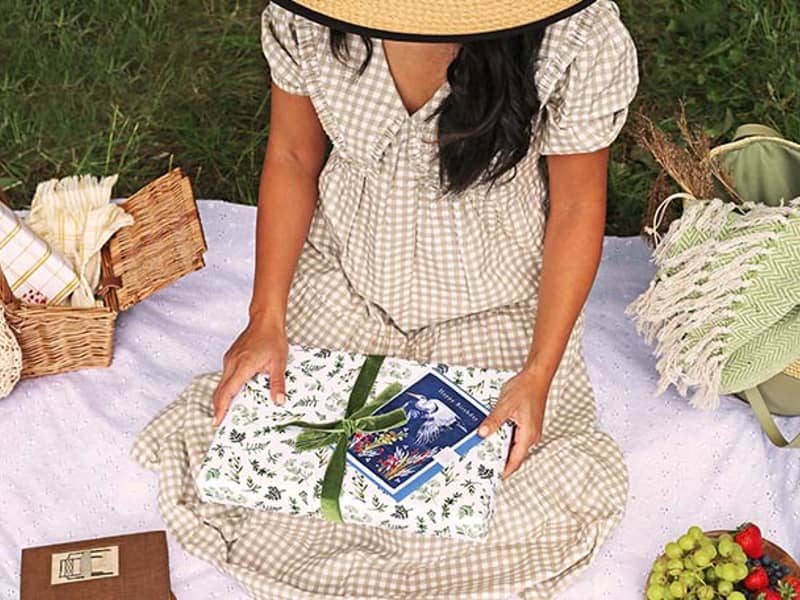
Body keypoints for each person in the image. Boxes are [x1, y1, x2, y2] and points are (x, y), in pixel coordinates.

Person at [183, 0, 639, 595]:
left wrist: (538, 372)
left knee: (508, 508)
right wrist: (265, 316)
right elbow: (293, 156)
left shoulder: (574, 34)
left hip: (496, 295)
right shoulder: (310, 18)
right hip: (349, 275)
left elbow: (578, 205)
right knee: (280, 485)